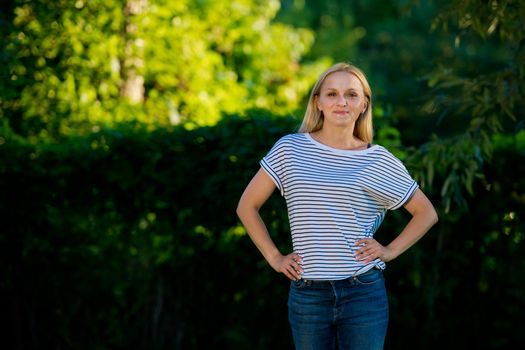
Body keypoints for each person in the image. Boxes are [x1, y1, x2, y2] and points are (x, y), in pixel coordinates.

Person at [236, 62, 438, 350]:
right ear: (317, 102)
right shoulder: (290, 149)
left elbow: (426, 212)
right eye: (331, 94)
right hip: (308, 294)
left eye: (351, 95)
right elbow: (247, 205)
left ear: (364, 104)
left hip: (363, 292)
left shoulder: (378, 160)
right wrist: (275, 258)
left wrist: (389, 250)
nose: (342, 101)